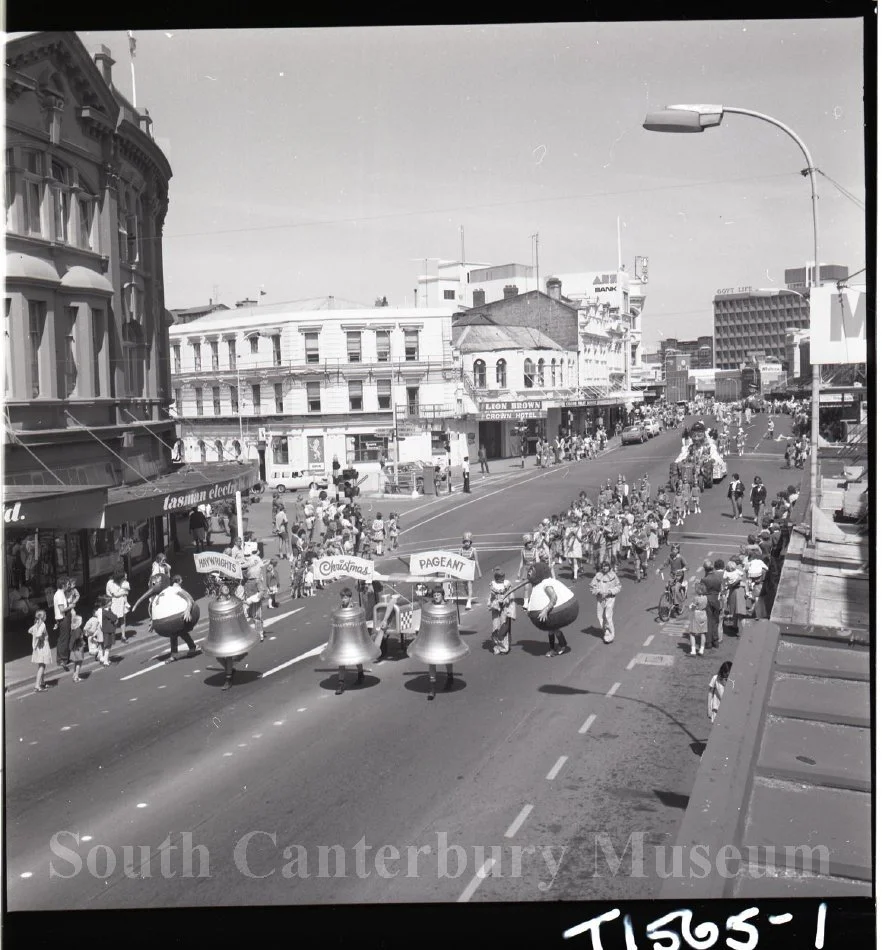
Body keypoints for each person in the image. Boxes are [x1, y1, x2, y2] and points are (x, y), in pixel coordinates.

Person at [525, 562, 577, 657]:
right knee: (551, 630)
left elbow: (554, 597)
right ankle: (555, 647)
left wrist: (545, 610)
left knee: (553, 630)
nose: (529, 573)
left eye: (531, 571)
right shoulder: (538, 584)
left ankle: (560, 646)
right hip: (552, 612)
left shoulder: (546, 584)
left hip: (557, 610)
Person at [334, 587, 367, 695]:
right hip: (343, 638)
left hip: (353, 637)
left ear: (350, 598)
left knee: (356, 659)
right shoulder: (339, 609)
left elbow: (360, 620)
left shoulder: (355, 608)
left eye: (345, 598)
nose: (343, 600)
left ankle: (360, 673)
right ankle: (341, 683)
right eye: (342, 598)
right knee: (341, 661)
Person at [161, 575, 201, 662]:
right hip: (178, 614)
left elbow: (189, 600)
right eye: (181, 579)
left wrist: (187, 611)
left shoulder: (170, 590)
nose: (182, 581)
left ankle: (176, 654)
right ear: (179, 581)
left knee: (177, 633)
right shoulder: (178, 590)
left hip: (180, 613)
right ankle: (191, 648)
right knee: (179, 632)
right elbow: (190, 599)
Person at [590, 560, 621, 644]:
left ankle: (611, 634)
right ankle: (606, 631)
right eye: (603, 566)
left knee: (608, 616)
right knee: (600, 616)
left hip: (610, 598)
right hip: (600, 598)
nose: (605, 567)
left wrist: (610, 592)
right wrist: (599, 592)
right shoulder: (598, 575)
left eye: (606, 566)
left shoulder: (613, 575)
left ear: (609, 567)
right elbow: (592, 587)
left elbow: (618, 587)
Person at [487, 567, 516, 655]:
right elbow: (491, 599)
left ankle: (504, 648)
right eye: (500, 577)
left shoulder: (507, 584)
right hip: (496, 609)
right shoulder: (492, 585)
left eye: (502, 576)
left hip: (505, 608)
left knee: (504, 626)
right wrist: (496, 603)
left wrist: (505, 601)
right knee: (495, 627)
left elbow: (511, 597)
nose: (501, 578)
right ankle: (496, 646)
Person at [105, 564, 131, 643]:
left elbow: (127, 592)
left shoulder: (122, 582)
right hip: (114, 603)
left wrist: (124, 592)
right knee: (114, 620)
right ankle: (112, 636)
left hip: (121, 602)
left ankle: (123, 636)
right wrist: (123, 592)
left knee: (123, 619)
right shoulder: (110, 583)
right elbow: (115, 594)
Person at [702, 559, 725, 649]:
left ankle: (708, 642)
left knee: (708, 621)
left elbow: (701, 591)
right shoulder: (718, 578)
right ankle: (715, 641)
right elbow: (721, 589)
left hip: (707, 600)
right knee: (716, 621)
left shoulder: (704, 579)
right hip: (716, 600)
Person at [53, 577, 73, 671]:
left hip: (61, 618)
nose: (69, 585)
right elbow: (62, 609)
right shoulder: (60, 595)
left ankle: (61, 659)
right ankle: (63, 659)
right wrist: (71, 606)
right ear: (63, 585)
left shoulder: (59, 593)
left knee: (62, 638)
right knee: (64, 639)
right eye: (68, 584)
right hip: (63, 618)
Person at [29, 608, 52, 692]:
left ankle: (42, 682)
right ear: (43, 617)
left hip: (38, 648)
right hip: (43, 647)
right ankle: (37, 685)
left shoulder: (36, 624)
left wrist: (36, 637)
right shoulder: (42, 624)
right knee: (42, 666)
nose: (46, 616)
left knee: (41, 665)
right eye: (45, 615)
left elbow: (30, 630)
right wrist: (41, 638)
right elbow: (39, 634)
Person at [459, 532, 480, 610]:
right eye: (465, 541)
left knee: (469, 585)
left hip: (470, 570)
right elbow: (458, 560)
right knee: (465, 587)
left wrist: (479, 572)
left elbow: (477, 561)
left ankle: (468, 602)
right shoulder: (461, 550)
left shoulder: (473, 550)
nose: (466, 543)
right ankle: (469, 598)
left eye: (468, 541)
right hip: (463, 570)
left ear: (470, 542)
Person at [688, 582, 709, 656]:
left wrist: (690, 607)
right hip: (704, 614)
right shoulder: (706, 598)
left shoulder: (696, 598)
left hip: (696, 614)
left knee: (692, 633)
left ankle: (693, 650)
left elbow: (692, 607)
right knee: (703, 633)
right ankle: (701, 649)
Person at [69, 612, 86, 682]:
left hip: (74, 648)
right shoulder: (78, 630)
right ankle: (76, 676)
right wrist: (82, 640)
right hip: (79, 648)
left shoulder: (72, 629)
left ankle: (74, 674)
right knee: (79, 662)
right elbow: (77, 638)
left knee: (76, 662)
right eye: (81, 621)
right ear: (79, 622)